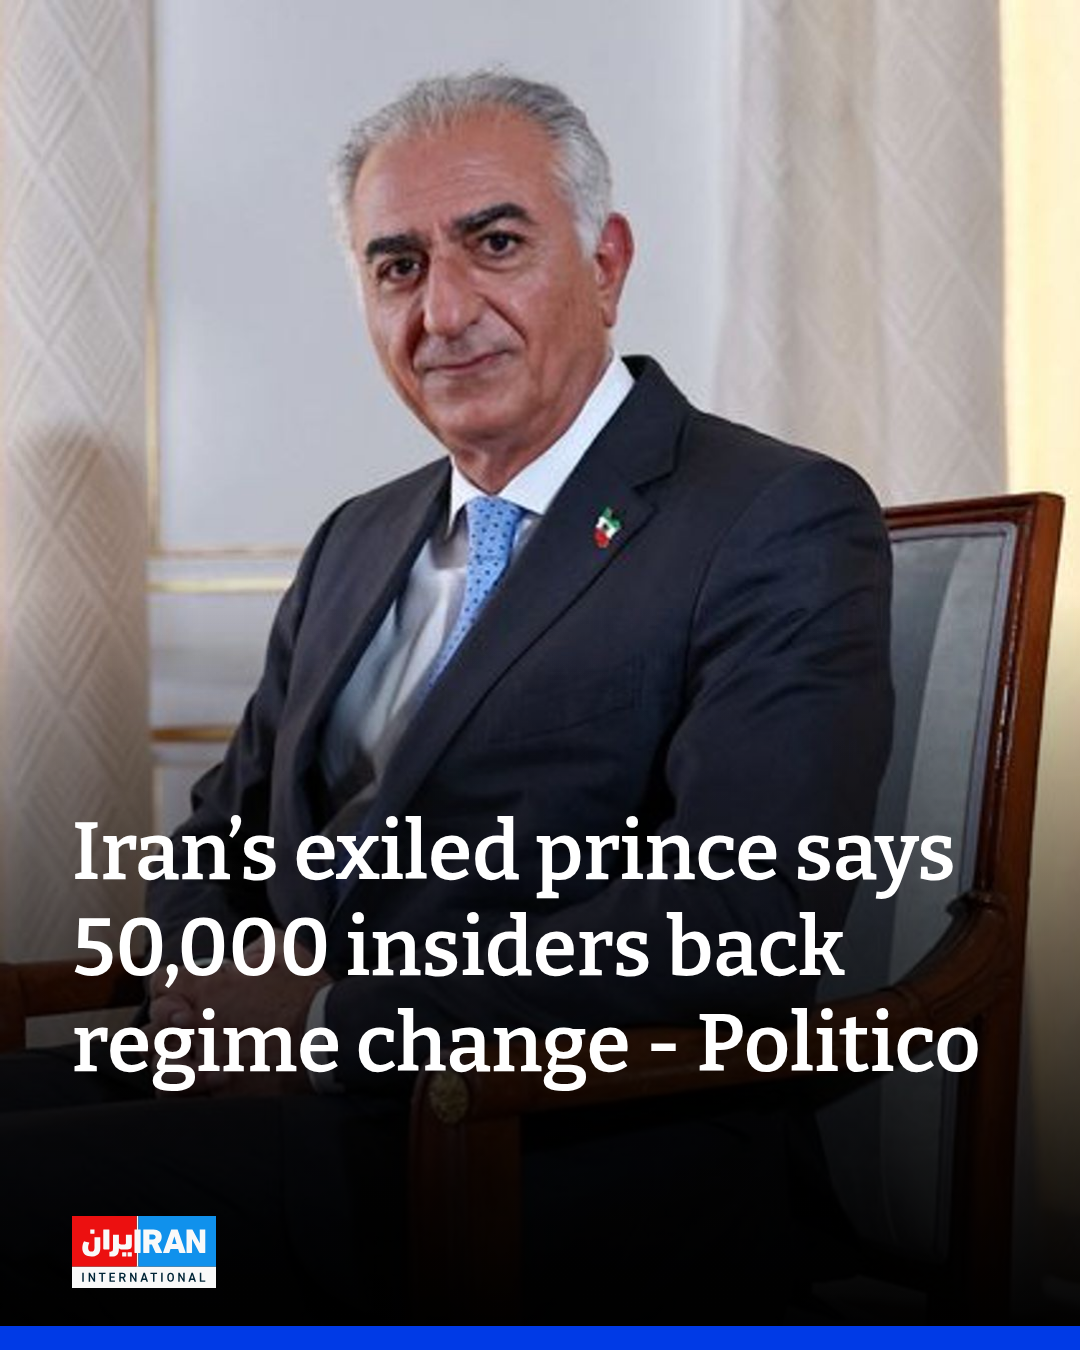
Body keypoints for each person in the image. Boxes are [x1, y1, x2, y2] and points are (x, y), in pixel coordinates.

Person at [1, 71, 892, 1320]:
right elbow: (221, 831)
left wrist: (327, 1017)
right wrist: (207, 987)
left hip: (533, 1177)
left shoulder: (769, 518)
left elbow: (744, 917)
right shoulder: (357, 541)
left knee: (62, 1240)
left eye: (497, 243)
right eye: (398, 266)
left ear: (607, 262)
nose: (446, 310)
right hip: (273, 1121)